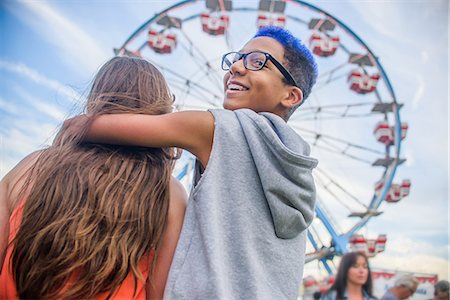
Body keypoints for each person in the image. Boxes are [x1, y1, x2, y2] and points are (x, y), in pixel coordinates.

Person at [70, 25, 319, 299]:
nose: (236, 67)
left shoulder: (219, 128)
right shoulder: (300, 170)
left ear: (291, 96)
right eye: (236, 58)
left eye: (257, 62)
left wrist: (68, 132)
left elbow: (89, 127)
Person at [0, 56, 188, 299]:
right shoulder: (170, 194)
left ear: (96, 99)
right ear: (161, 106)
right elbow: (160, 293)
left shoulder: (31, 166)